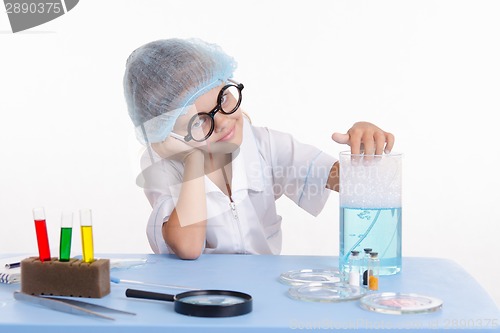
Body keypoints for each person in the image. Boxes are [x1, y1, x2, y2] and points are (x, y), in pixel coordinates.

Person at [123, 38, 394, 259]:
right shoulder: (164, 167)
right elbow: (188, 247)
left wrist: (364, 146)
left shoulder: (265, 145)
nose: (222, 122)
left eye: (224, 98)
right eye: (200, 121)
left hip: (261, 294)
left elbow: (356, 184)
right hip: (199, 298)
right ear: (168, 133)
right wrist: (194, 161)